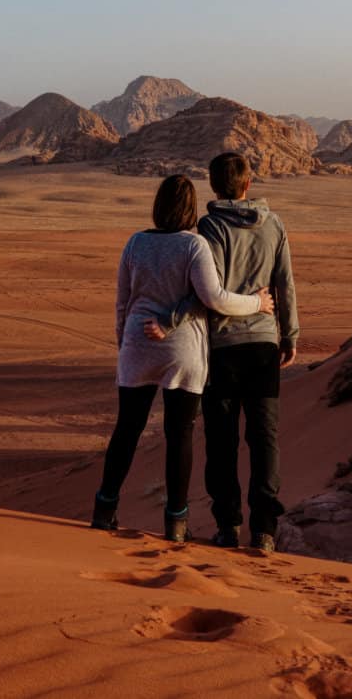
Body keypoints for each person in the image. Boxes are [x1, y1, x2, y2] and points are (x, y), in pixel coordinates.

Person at [92, 173, 274, 542]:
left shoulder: (135, 243)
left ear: (158, 206)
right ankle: (176, 523)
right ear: (191, 208)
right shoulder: (194, 247)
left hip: (137, 346)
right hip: (183, 351)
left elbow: (122, 303)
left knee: (127, 430)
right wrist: (258, 302)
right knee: (180, 436)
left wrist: (123, 343)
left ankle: (104, 509)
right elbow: (216, 298)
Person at [145, 152, 299, 552]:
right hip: (264, 345)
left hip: (222, 349)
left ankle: (228, 526)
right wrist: (290, 335)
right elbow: (285, 283)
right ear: (248, 183)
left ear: (214, 187)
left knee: (222, 441)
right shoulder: (275, 224)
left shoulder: (208, 227)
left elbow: (203, 292)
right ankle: (264, 530)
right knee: (265, 438)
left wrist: (170, 320)